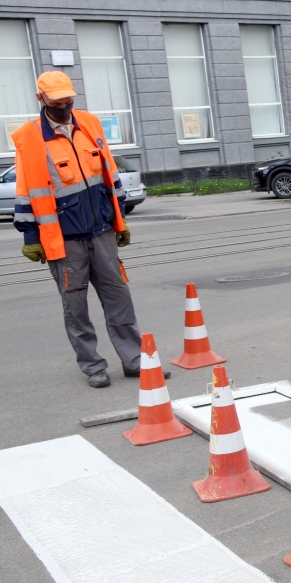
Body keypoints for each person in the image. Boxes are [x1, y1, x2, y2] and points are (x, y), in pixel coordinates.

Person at [12, 71, 166, 388]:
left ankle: (135, 360)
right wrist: (30, 236)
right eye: (57, 102)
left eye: (68, 100)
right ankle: (92, 365)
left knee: (118, 298)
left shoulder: (90, 124)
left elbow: (109, 172)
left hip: (102, 233)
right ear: (41, 99)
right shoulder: (29, 137)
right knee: (75, 307)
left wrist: (119, 219)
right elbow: (28, 191)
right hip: (64, 241)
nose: (64, 106)